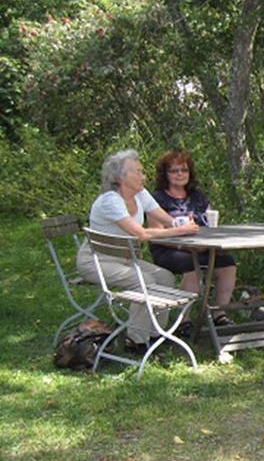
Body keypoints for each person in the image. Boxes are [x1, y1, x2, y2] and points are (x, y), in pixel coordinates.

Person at [76, 149, 199, 351]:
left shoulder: (140, 194)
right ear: (120, 177)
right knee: (144, 281)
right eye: (138, 172)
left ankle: (155, 333)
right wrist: (179, 230)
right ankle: (135, 339)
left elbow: (166, 219)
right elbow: (140, 234)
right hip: (97, 262)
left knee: (165, 277)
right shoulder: (110, 201)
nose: (144, 176)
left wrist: (183, 223)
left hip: (125, 259)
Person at [150, 149, 236, 324]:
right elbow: (155, 234)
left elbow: (209, 222)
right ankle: (183, 320)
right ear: (165, 174)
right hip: (169, 249)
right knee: (192, 266)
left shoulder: (198, 197)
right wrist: (185, 246)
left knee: (228, 263)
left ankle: (219, 314)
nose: (180, 174)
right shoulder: (156, 199)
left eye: (184, 170)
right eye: (174, 170)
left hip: (201, 247)